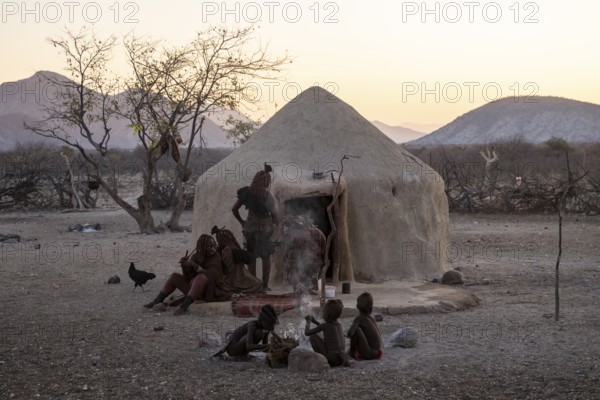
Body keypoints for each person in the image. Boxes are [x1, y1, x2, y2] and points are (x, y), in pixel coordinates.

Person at [143, 234, 231, 315]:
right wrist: (184, 266)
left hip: (210, 292)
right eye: (209, 246)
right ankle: (157, 300)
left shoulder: (216, 257)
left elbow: (211, 275)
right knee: (174, 276)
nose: (213, 249)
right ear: (202, 247)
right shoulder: (195, 257)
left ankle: (184, 306)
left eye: (214, 245)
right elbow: (187, 277)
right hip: (194, 290)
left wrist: (195, 266)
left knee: (201, 277)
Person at [232, 165, 280, 291]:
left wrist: (242, 221)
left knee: (251, 256)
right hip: (265, 230)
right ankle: (264, 285)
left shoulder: (247, 193)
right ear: (267, 182)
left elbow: (234, 209)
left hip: (249, 228)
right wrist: (278, 226)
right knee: (266, 257)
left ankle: (254, 285)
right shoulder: (267, 196)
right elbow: (274, 214)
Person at [278, 215, 325, 294]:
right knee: (294, 268)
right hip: (295, 253)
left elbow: (322, 248)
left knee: (312, 266)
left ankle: (309, 288)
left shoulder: (316, 235)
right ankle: (297, 288)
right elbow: (291, 269)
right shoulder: (292, 245)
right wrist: (298, 285)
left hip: (310, 255)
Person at [213, 304, 280, 358]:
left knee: (260, 333)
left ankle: (243, 355)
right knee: (258, 333)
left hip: (240, 345)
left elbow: (264, 347)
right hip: (232, 349)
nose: (272, 327)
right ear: (262, 320)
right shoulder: (252, 325)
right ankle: (240, 356)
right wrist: (268, 345)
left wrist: (274, 347)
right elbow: (249, 346)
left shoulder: (266, 328)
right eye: (269, 324)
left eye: (272, 324)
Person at [211, 225, 263, 294]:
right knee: (258, 283)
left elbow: (228, 270)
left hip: (234, 281)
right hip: (243, 277)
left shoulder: (227, 250)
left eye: (218, 240)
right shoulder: (235, 248)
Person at [304, 299, 351, 367]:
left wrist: (308, 322)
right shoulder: (338, 325)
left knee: (313, 336)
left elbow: (307, 333)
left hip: (331, 359)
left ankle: (320, 359)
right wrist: (314, 321)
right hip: (341, 358)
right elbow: (324, 328)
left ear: (326, 315)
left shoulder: (325, 326)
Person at [346, 292, 383, 360]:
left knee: (356, 329)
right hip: (379, 351)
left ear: (357, 306)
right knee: (358, 329)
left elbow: (350, 333)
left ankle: (351, 352)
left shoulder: (359, 318)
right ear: (371, 308)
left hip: (370, 352)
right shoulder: (372, 317)